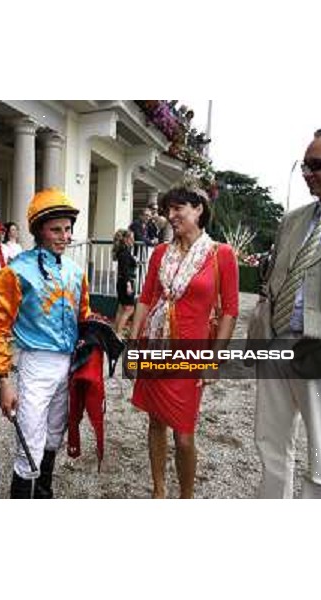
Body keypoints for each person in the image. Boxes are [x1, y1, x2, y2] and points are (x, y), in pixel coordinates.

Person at [253, 124, 321, 499]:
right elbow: (273, 282)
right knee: (271, 450)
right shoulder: (294, 220)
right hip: (277, 349)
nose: (306, 174)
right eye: (304, 165)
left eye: (316, 165)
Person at [130, 182, 239, 499]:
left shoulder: (222, 254)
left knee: (184, 437)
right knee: (155, 422)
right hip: (155, 346)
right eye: (168, 210)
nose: (171, 215)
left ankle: (186, 497)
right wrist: (134, 341)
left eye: (178, 208)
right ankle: (159, 490)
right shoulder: (161, 252)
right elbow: (146, 298)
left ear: (199, 209)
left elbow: (231, 311)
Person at [0, 188, 90, 498]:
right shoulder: (15, 272)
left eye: (68, 229)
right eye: (56, 229)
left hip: (68, 363)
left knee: (54, 435)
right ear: (38, 231)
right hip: (35, 363)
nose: (64, 236)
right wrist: (3, 381)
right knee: (29, 440)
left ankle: (44, 493)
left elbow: (84, 317)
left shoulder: (75, 271)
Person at [112, 229, 137, 336]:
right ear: (126, 239)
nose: (133, 240)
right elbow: (125, 271)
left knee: (121, 308)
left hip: (121, 282)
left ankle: (115, 332)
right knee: (129, 309)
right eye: (132, 238)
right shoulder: (125, 253)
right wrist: (128, 285)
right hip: (126, 282)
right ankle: (118, 333)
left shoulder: (122, 252)